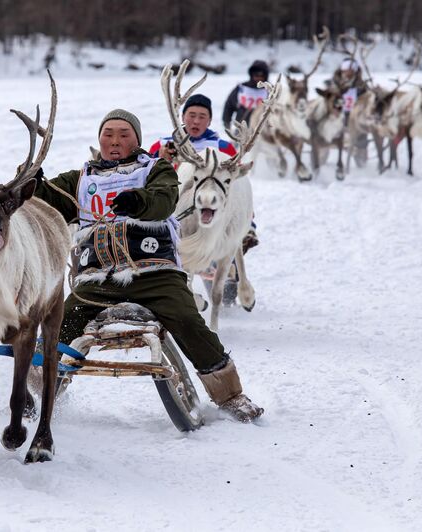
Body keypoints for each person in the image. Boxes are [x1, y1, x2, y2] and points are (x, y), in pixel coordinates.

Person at [33, 108, 263, 422]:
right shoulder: (81, 179)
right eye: (108, 134)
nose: (114, 141)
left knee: (187, 320)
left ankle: (229, 394)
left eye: (123, 135)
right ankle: (34, 392)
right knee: (59, 324)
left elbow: (163, 200)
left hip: (155, 273)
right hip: (96, 280)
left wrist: (139, 202)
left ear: (136, 140)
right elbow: (48, 201)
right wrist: (32, 184)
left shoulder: (156, 170)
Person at [150, 93, 259, 305]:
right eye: (191, 115)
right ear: (182, 116)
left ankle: (227, 283)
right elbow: (145, 174)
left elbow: (235, 186)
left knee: (225, 293)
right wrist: (160, 159)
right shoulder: (164, 145)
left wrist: (249, 222)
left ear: (209, 120)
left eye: (202, 116)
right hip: (177, 213)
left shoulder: (223, 148)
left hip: (213, 220)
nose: (196, 121)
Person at [329, 57, 370, 166]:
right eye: (345, 68)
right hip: (338, 113)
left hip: (355, 115)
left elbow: (367, 98)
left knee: (361, 132)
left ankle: (361, 156)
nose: (348, 71)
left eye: (350, 69)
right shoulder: (335, 82)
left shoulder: (361, 85)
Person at [222, 60, 270, 131]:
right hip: (242, 128)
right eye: (256, 75)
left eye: (262, 75)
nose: (259, 78)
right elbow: (229, 105)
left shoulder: (270, 90)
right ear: (251, 74)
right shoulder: (242, 89)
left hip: (264, 130)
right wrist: (226, 121)